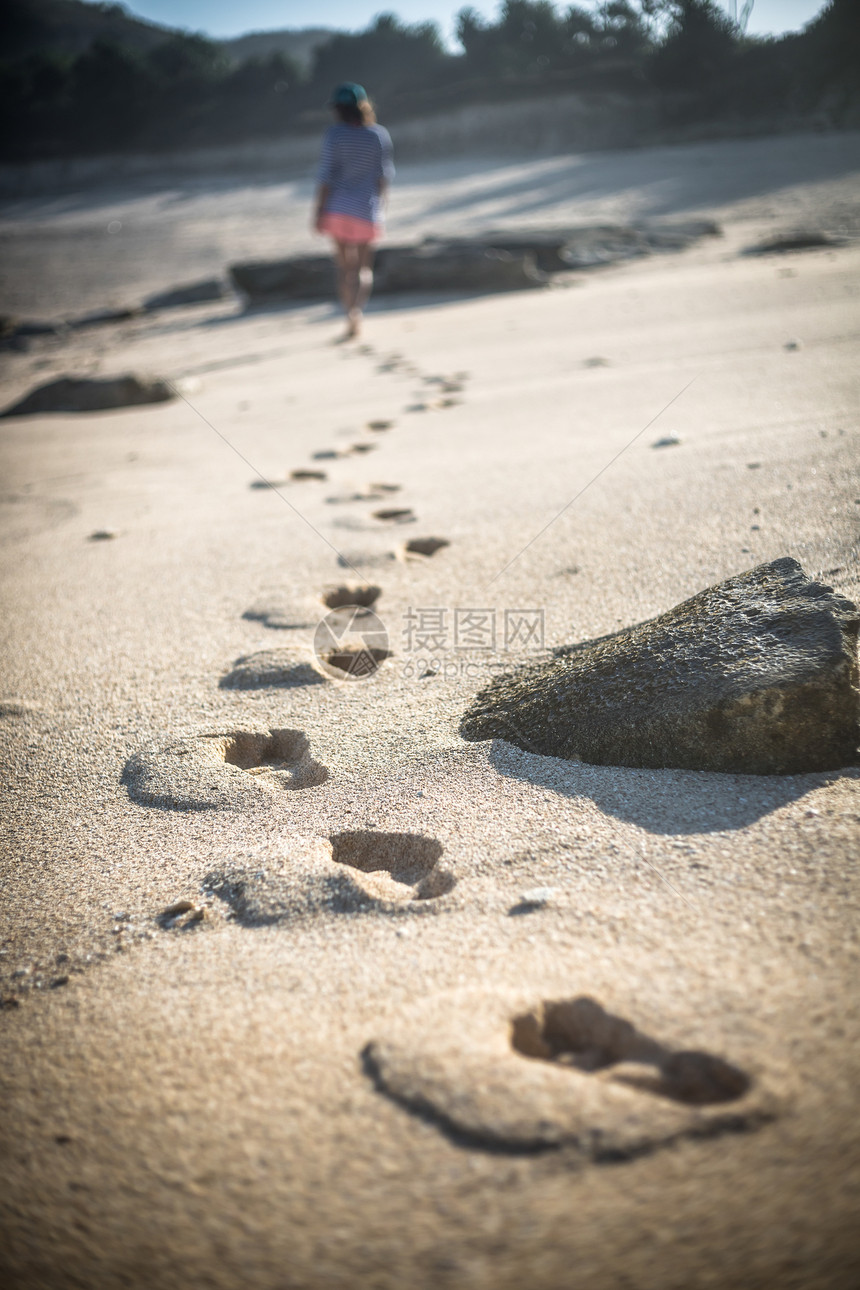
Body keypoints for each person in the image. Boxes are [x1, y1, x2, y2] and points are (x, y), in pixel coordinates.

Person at [313, 83, 394, 341]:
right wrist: (380, 208)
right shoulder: (378, 135)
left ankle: (348, 312)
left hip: (337, 209)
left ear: (338, 109)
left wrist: (318, 211)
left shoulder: (334, 135)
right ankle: (357, 311)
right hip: (365, 209)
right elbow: (383, 177)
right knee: (363, 268)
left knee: (343, 268)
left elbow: (326, 176)